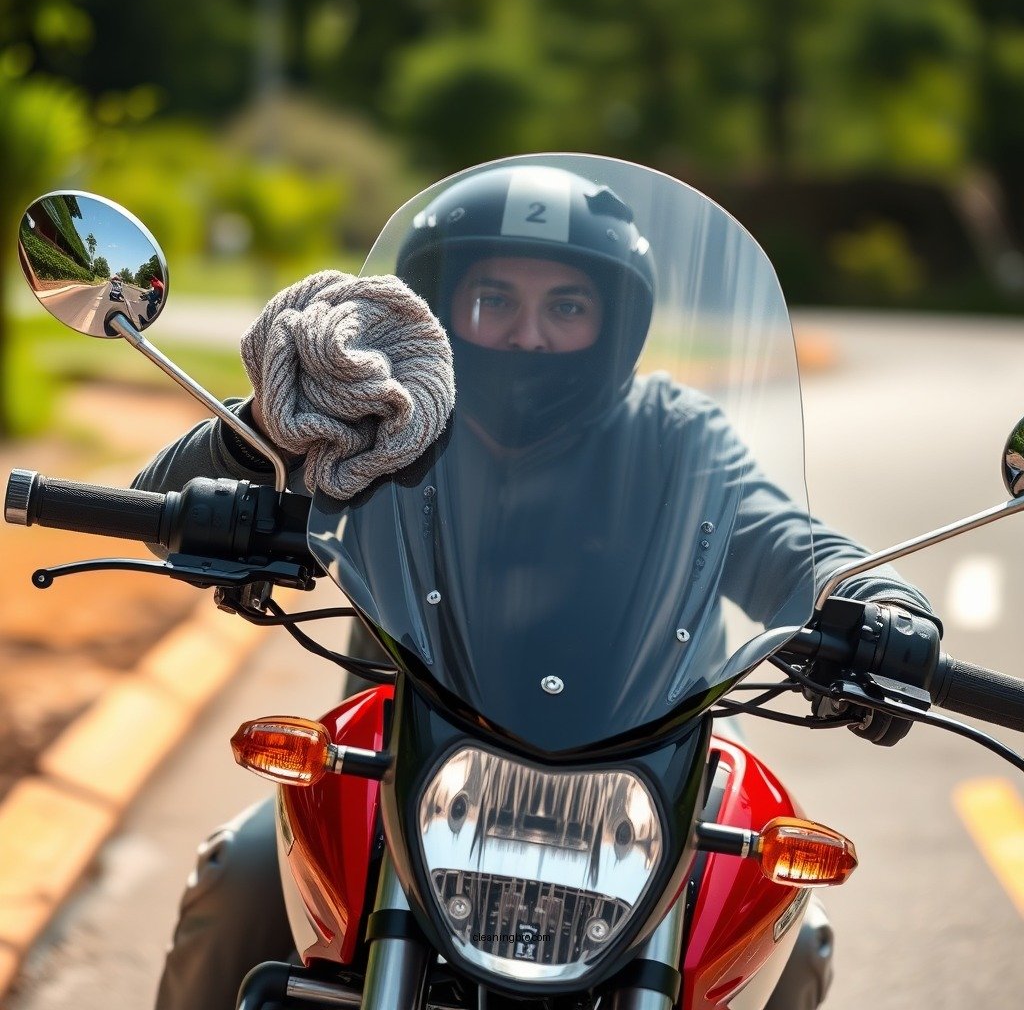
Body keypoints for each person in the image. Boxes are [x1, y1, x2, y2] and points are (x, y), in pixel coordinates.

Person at [136, 163, 937, 1009]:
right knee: (242, 871)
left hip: (641, 780)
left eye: (566, 307)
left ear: (615, 323)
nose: (527, 335)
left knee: (789, 932)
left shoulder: (679, 441)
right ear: (439, 307)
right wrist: (261, 431)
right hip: (402, 769)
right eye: (493, 300)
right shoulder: (382, 422)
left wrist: (882, 604)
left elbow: (791, 541)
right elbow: (157, 503)